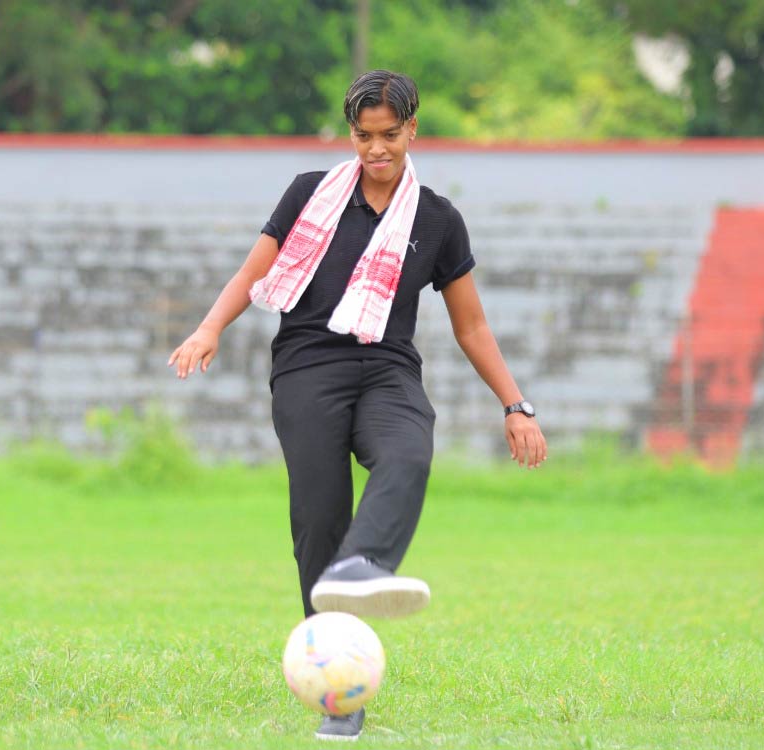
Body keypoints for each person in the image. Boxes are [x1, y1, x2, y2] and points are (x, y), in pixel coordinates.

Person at [169, 70, 546, 740]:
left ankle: (362, 564)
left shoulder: (436, 219)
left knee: (408, 452)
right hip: (308, 365)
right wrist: (208, 327)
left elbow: (471, 326)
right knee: (318, 520)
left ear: (412, 130)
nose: (376, 149)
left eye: (389, 135)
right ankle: (339, 697)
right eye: (364, 135)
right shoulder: (310, 193)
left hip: (387, 367)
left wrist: (515, 404)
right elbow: (253, 271)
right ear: (352, 133)